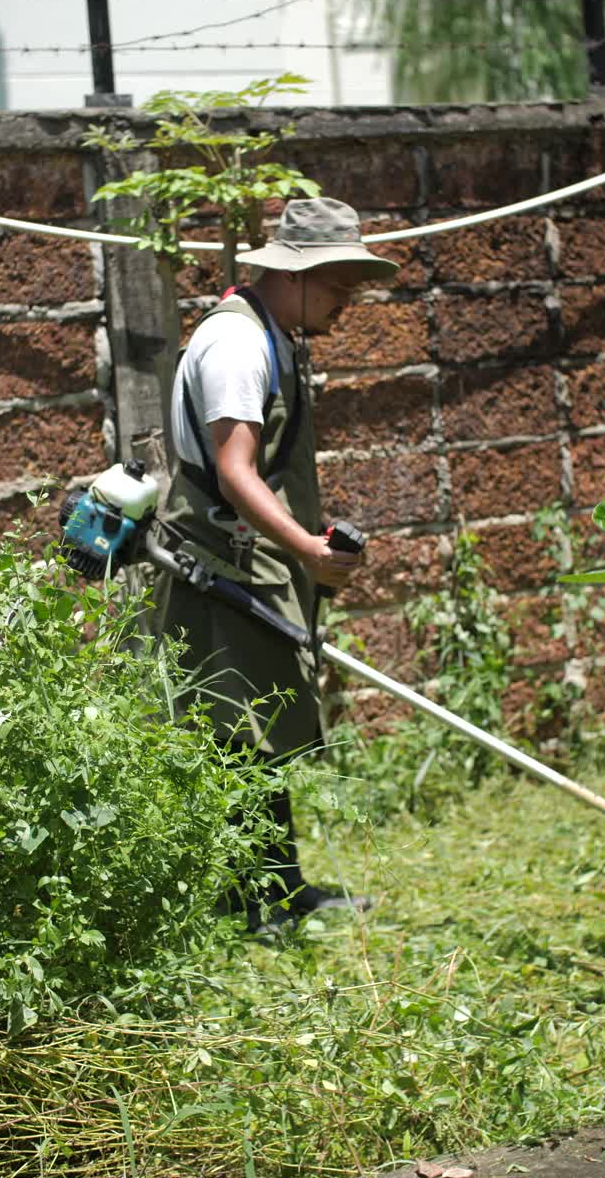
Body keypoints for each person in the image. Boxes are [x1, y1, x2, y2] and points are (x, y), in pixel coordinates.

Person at [157, 196, 398, 930]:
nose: (347, 304)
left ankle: (279, 892)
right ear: (295, 276)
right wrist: (310, 551)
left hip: (251, 561)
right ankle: (245, 906)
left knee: (258, 735)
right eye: (338, 287)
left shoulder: (274, 332)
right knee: (234, 736)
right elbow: (236, 472)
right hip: (221, 564)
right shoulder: (236, 346)